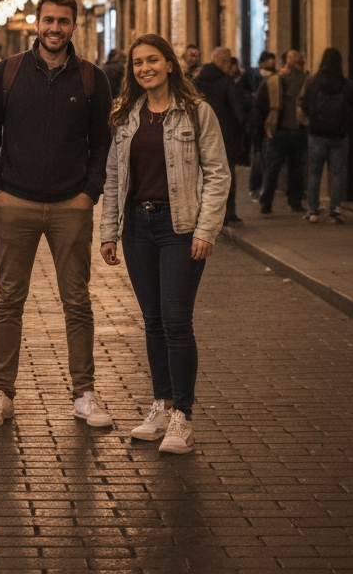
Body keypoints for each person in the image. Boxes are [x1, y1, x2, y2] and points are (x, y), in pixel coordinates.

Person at [0, 0, 114, 429]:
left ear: (75, 26)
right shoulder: (8, 72)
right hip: (15, 203)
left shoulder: (92, 78)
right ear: (37, 22)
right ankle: (2, 393)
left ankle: (84, 393)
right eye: (48, 20)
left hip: (71, 206)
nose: (55, 28)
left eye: (63, 21)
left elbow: (102, 144)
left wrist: (89, 193)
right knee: (8, 299)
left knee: (77, 301)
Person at [99, 34, 230, 453]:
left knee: (176, 321)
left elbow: (218, 174)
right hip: (138, 226)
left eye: (152, 60)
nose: (144, 68)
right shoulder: (126, 116)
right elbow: (115, 178)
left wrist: (206, 230)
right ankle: (161, 404)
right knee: (153, 321)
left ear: (169, 64)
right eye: (137, 63)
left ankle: (183, 418)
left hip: (180, 227)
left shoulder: (196, 113)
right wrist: (108, 232)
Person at [299, 48, 353, 224]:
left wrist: (314, 120)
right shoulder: (347, 85)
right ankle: (335, 209)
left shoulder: (313, 82)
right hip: (339, 136)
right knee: (337, 173)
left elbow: (304, 104)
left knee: (315, 173)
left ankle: (313, 210)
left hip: (317, 134)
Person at [193, 47, 247, 224]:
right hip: (225, 136)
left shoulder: (198, 80)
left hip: (201, 135)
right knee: (226, 175)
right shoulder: (227, 81)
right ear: (224, 63)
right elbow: (238, 110)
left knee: (204, 175)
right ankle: (228, 212)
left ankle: (207, 213)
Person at [254, 49, 308, 214]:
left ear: (286, 64)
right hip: (299, 131)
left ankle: (266, 201)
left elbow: (259, 104)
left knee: (272, 169)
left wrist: (265, 128)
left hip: (277, 132)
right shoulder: (307, 81)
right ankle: (295, 201)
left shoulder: (273, 81)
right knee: (296, 170)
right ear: (301, 64)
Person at [245, 51, 277, 197]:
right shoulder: (252, 76)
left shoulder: (276, 78)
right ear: (262, 62)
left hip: (270, 120)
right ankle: (254, 186)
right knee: (257, 156)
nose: (272, 66)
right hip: (257, 122)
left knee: (268, 156)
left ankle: (266, 186)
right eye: (269, 62)